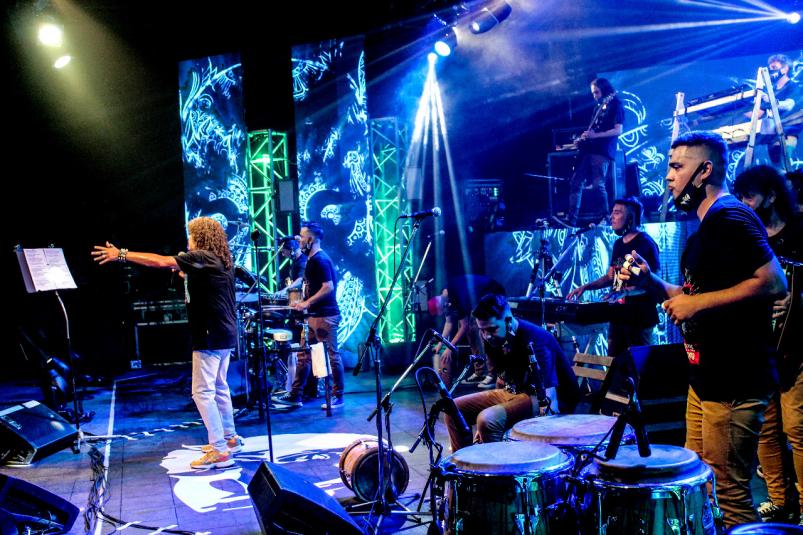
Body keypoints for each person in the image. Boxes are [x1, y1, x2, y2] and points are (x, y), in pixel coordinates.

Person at [620, 131, 787, 528]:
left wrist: (695, 304)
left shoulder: (731, 217)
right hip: (707, 378)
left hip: (733, 379)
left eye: (677, 167)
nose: (668, 177)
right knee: (701, 482)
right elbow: (693, 294)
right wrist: (650, 281)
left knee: (727, 491)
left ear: (704, 171)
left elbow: (773, 281)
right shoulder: (708, 226)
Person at [92, 217, 244, 469]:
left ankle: (219, 450)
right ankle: (230, 439)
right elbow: (193, 277)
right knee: (219, 387)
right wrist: (183, 271)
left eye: (191, 235)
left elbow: (161, 261)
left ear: (200, 237)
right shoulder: (219, 259)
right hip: (224, 333)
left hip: (210, 334)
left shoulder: (203, 256)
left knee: (202, 392)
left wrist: (121, 254)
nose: (188, 240)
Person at [734, 165, 803, 525]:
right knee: (766, 427)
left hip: (798, 347)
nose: (743, 203)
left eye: (749, 196)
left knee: (798, 428)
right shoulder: (750, 236)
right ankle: (779, 500)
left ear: (772, 196)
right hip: (760, 347)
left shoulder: (800, 230)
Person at [444, 294, 565, 452]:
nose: (486, 336)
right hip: (516, 392)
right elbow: (501, 380)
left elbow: (549, 396)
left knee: (487, 420)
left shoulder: (535, 340)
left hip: (542, 396)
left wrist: (547, 444)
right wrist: (492, 411)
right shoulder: (492, 337)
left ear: (508, 320)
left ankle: (498, 465)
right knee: (453, 409)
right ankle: (464, 463)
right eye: (482, 330)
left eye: (491, 329)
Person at [567, 197, 661, 358]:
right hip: (618, 317)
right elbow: (611, 276)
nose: (612, 217)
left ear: (630, 218)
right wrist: (586, 287)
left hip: (640, 319)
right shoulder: (618, 244)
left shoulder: (646, 243)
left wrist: (626, 292)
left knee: (640, 367)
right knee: (615, 365)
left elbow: (654, 283)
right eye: (612, 212)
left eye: (617, 212)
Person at [273, 221, 345, 410]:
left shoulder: (321, 260)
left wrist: (307, 303)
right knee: (304, 355)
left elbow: (328, 287)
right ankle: (295, 395)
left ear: (311, 240)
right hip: (312, 316)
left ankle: (338, 396)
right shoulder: (311, 260)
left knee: (332, 356)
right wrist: (302, 302)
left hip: (325, 316)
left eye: (302, 237)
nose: (299, 240)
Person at [427, 275, 505, 389]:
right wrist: (440, 344)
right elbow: (448, 323)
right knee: (471, 332)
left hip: (492, 292)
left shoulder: (455, 297)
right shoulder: (445, 297)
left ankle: (492, 374)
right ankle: (479, 372)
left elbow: (464, 326)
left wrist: (449, 348)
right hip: (476, 299)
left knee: (483, 332)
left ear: (442, 305)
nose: (445, 312)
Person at [566, 78, 625, 226]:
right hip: (588, 149)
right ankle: (571, 219)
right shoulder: (598, 108)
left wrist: (595, 136)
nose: (595, 96)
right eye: (593, 93)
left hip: (602, 150)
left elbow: (618, 130)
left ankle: (605, 218)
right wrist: (582, 139)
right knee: (576, 182)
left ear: (605, 90)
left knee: (598, 184)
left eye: (597, 92)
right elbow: (592, 130)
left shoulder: (616, 106)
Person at [746, 54, 800, 171]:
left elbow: (789, 105)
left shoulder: (794, 86)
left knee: (784, 169)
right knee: (772, 169)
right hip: (771, 137)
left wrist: (769, 99)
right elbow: (758, 113)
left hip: (786, 135)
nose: (771, 71)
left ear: (785, 68)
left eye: (774, 68)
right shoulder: (772, 90)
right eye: (770, 69)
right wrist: (741, 107)